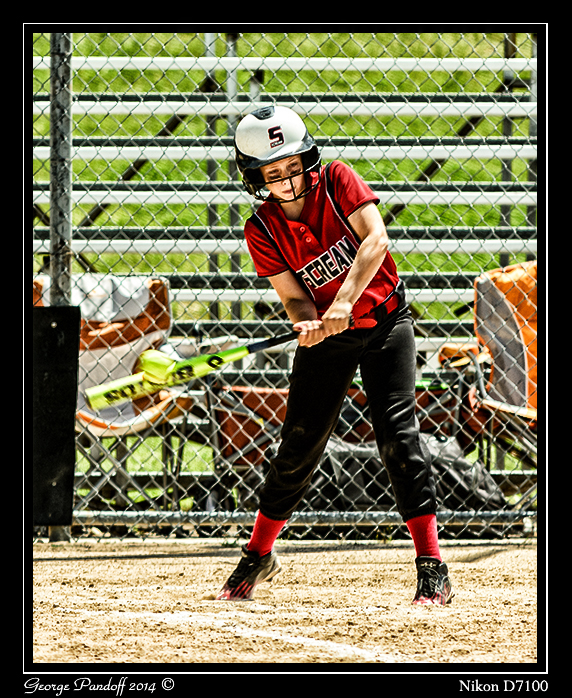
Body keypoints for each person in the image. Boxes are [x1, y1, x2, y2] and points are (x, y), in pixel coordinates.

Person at [215, 106, 453, 605]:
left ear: (309, 159)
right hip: (331, 336)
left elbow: (376, 239)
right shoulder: (262, 229)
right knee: (299, 443)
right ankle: (258, 554)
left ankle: (432, 565)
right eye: (272, 173)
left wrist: (343, 303)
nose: (286, 180)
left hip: (386, 322)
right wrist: (307, 322)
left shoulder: (338, 180)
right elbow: (293, 296)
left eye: (293, 166)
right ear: (255, 178)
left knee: (399, 438)